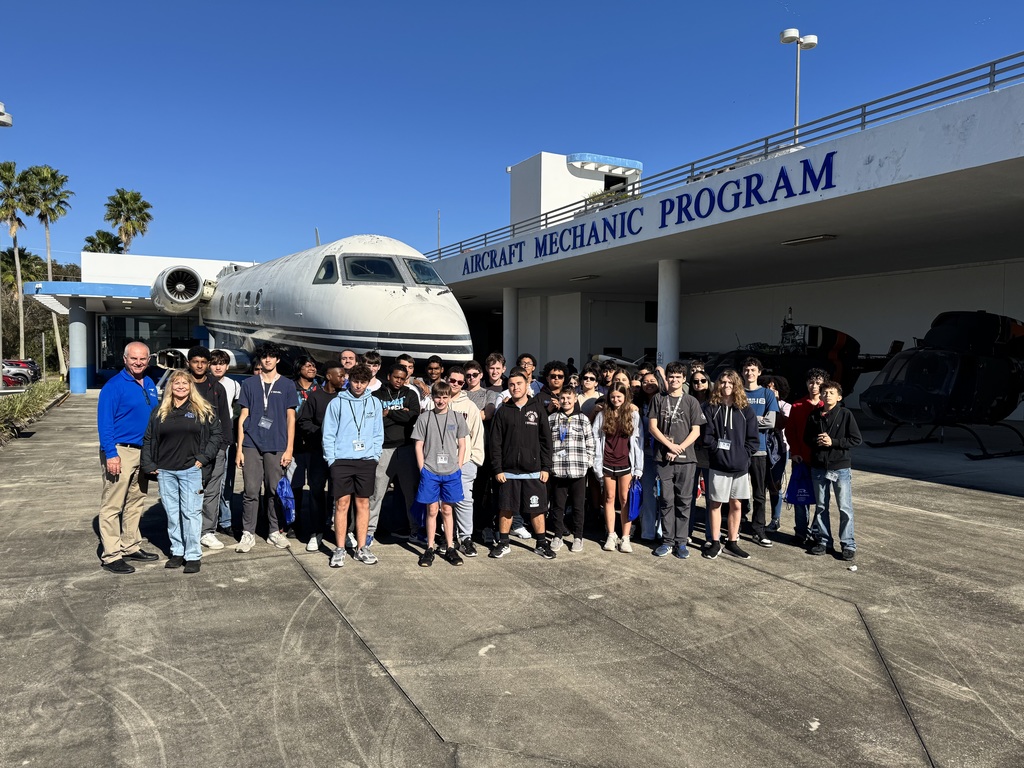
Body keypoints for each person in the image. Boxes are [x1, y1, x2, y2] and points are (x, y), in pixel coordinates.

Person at [140, 370, 222, 574]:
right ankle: (177, 551)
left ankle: (193, 555)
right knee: (173, 514)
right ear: (170, 386)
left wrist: (203, 459)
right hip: (165, 471)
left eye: (185, 383)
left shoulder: (202, 409)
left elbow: (216, 435)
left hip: (191, 470)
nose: (181, 387)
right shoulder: (160, 411)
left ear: (190, 386)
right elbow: (149, 438)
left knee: (191, 513)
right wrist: (148, 464)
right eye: (176, 383)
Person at [96, 341, 161, 573]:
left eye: (142, 359)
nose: (138, 362)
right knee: (113, 504)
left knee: (136, 501)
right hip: (120, 451)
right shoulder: (113, 386)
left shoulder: (150, 383)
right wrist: (111, 454)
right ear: (124, 359)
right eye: (133, 358)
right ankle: (112, 555)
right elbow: (105, 423)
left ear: (148, 360)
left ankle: (130, 545)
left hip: (144, 452)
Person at [488, 367, 556, 559]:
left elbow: (546, 441)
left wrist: (545, 467)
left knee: (537, 509)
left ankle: (541, 543)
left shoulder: (538, 409)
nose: (515, 387)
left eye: (519, 384)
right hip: (507, 472)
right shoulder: (503, 411)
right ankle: (503, 543)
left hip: (534, 471)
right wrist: (498, 469)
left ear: (527, 385)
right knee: (506, 508)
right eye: (511, 384)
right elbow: (495, 443)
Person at [235, 343, 296, 553]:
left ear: (277, 360)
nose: (267, 360)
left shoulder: (288, 385)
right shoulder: (250, 384)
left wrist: (289, 449)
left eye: (271, 357)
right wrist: (239, 449)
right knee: (251, 491)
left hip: (277, 444)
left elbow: (291, 418)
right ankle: (248, 534)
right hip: (251, 443)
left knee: (273, 490)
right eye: (264, 357)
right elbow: (243, 417)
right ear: (259, 360)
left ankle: (273, 531)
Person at [322, 363, 384, 567]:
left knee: (363, 503)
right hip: (342, 460)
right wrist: (332, 459)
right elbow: (328, 433)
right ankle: (339, 548)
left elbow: (377, 433)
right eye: (355, 382)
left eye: (363, 382)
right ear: (350, 381)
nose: (358, 386)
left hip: (366, 460)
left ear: (368, 383)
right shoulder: (336, 403)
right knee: (341, 504)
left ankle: (361, 548)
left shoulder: (374, 403)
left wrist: (374, 455)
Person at [647, 362, 705, 559]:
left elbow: (696, 431)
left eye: (678, 377)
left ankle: (681, 541)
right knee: (666, 500)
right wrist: (670, 446)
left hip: (686, 459)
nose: (674, 380)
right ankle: (667, 541)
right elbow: (653, 428)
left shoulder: (691, 402)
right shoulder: (658, 399)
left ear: (684, 379)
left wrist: (679, 447)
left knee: (684, 501)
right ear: (667, 378)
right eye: (671, 376)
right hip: (663, 458)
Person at [701, 370, 759, 560]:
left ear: (737, 385)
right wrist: (717, 451)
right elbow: (706, 437)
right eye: (723, 382)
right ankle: (715, 542)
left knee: (736, 504)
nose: (726, 386)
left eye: (730, 383)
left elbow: (753, 440)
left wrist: (744, 455)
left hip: (739, 467)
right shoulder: (711, 408)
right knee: (715, 504)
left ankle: (732, 542)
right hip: (718, 465)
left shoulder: (745, 410)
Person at [412, 380, 469, 567]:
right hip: (431, 471)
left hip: (451, 471)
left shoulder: (457, 417)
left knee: (447, 509)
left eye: (445, 397)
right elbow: (419, 444)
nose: (441, 400)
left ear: (449, 398)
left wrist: (458, 465)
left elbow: (462, 443)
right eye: (438, 397)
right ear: (433, 397)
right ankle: (429, 547)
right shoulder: (424, 417)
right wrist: (422, 468)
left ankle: (450, 547)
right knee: (431, 509)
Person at [804, 381, 862, 560]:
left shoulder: (845, 414)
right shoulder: (814, 416)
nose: (827, 395)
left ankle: (848, 544)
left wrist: (834, 442)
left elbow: (856, 439)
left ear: (839, 397)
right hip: (819, 467)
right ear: (820, 396)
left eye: (831, 392)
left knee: (844, 507)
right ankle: (823, 541)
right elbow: (807, 438)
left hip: (840, 467)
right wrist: (817, 441)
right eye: (824, 392)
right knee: (821, 507)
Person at [185, 346, 234, 552]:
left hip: (216, 448)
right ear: (189, 363)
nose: (199, 365)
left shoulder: (217, 387)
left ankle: (207, 532)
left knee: (213, 491)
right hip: (187, 449)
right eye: (195, 361)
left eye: (203, 362)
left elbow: (225, 418)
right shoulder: (181, 384)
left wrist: (224, 445)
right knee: (189, 491)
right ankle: (189, 530)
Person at [368, 363, 421, 543]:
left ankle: (415, 530)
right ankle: (368, 531)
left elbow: (413, 417)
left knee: (411, 493)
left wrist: (389, 413)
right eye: (396, 377)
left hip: (406, 449)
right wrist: (400, 415)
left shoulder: (411, 394)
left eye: (402, 378)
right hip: (383, 449)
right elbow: (375, 423)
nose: (399, 381)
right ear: (389, 376)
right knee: (377, 492)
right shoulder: (376, 396)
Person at [296, 361, 344, 551]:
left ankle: (342, 531)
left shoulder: (345, 397)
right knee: (316, 492)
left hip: (341, 455)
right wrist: (323, 433)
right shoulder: (315, 397)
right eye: (339, 375)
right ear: (329, 376)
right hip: (318, 453)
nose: (343, 379)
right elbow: (304, 422)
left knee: (339, 494)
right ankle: (316, 532)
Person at [592, 383, 644, 553]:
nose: (616, 400)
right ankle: (611, 534)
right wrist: (597, 465)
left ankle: (626, 537)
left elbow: (638, 442)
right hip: (607, 462)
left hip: (626, 463)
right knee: (608, 498)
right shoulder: (602, 415)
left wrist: (638, 467)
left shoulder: (633, 414)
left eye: (619, 397)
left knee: (625, 499)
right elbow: (596, 439)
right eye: (613, 397)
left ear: (625, 396)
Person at [548, 387, 596, 552]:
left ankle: (578, 537)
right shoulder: (552, 418)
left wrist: (588, 462)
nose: (566, 401)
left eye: (569, 398)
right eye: (562, 398)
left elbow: (590, 443)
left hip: (578, 470)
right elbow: (546, 443)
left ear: (575, 399)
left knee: (578, 506)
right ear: (558, 399)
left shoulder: (583, 419)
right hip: (558, 469)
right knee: (558, 505)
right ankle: (557, 535)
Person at [741, 357, 779, 548]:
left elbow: (771, 422)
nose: (750, 373)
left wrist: (746, 421)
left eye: (753, 370)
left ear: (759, 372)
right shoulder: (737, 392)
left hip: (760, 451)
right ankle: (736, 525)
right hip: (738, 452)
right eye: (747, 370)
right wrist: (757, 419)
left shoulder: (767, 394)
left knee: (759, 494)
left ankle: (758, 530)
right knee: (737, 493)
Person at [785, 369, 826, 544]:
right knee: (801, 498)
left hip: (821, 461)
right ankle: (801, 531)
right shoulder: (797, 406)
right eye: (811, 382)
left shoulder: (827, 406)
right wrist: (794, 452)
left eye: (818, 382)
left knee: (821, 499)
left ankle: (817, 531)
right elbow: (790, 431)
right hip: (801, 460)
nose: (814, 386)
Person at [446, 367, 485, 556]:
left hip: (464, 461)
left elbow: (477, 434)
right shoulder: (436, 402)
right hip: (439, 463)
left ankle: (465, 537)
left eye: (460, 382)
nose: (455, 385)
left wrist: (474, 460)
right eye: (452, 380)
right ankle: (446, 536)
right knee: (442, 502)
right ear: (447, 380)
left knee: (464, 501)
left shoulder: (469, 406)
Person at [290, 355, 322, 537]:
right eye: (307, 365)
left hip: (315, 445)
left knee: (316, 488)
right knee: (295, 487)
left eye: (314, 365)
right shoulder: (289, 387)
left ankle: (315, 526)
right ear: (298, 367)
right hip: (294, 445)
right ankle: (295, 523)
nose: (311, 368)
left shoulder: (320, 388)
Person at [210, 349, 241, 536]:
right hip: (207, 435)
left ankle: (226, 520)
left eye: (222, 363)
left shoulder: (234, 385)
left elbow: (238, 412)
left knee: (227, 480)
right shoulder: (203, 383)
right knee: (211, 480)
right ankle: (209, 522)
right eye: (214, 363)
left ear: (227, 366)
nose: (218, 366)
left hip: (227, 435)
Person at [761, 375, 792, 532]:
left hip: (779, 450)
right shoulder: (760, 405)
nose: (770, 390)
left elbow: (780, 423)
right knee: (759, 485)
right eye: (767, 387)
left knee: (775, 485)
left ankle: (775, 518)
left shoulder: (786, 406)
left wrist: (774, 404)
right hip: (760, 448)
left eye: (774, 387)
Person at [687, 367, 712, 536]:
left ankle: (711, 535)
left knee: (711, 497)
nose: (699, 384)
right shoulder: (687, 401)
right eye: (695, 381)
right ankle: (686, 532)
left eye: (702, 381)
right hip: (691, 450)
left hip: (710, 453)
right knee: (688, 496)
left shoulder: (714, 402)